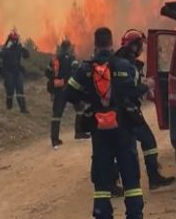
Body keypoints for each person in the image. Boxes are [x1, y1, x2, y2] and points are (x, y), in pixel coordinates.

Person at [66, 27, 146, 219]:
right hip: (124, 130)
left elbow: (69, 93)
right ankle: (134, 215)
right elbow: (135, 91)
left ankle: (103, 214)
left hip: (100, 131)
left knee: (102, 183)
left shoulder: (85, 70)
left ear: (95, 44)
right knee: (131, 179)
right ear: (112, 44)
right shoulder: (126, 67)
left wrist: (87, 100)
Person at [114, 29, 176, 190]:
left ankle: (114, 183)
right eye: (140, 44)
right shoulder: (126, 64)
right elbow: (127, 91)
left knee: (125, 146)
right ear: (134, 46)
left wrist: (142, 85)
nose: (142, 48)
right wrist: (146, 86)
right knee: (146, 142)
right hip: (127, 112)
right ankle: (152, 178)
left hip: (123, 112)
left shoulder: (121, 62)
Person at [45, 39, 89, 149]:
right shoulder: (72, 58)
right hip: (70, 88)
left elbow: (47, 72)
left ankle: (54, 140)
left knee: (57, 115)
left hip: (59, 90)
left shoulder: (54, 59)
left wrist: (55, 80)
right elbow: (77, 71)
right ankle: (79, 132)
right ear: (69, 48)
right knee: (80, 108)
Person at [0, 28, 30, 113]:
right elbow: (0, 54)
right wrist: (6, 47)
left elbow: (27, 56)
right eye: (13, 40)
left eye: (16, 39)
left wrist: (23, 47)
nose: (15, 41)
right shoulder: (6, 48)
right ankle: (9, 107)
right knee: (10, 90)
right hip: (8, 71)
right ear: (10, 40)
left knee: (20, 90)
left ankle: (23, 109)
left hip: (17, 71)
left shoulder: (19, 47)